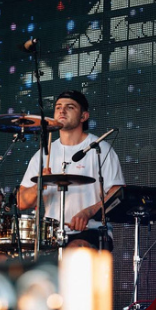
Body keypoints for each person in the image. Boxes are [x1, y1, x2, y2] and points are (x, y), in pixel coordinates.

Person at [16, 89, 125, 250]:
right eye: (58, 107)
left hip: (92, 231)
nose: (62, 110)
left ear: (83, 116)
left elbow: (118, 194)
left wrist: (88, 213)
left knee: (75, 251)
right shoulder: (43, 154)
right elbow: (20, 202)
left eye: (70, 107)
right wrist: (40, 184)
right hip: (51, 235)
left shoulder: (100, 149)